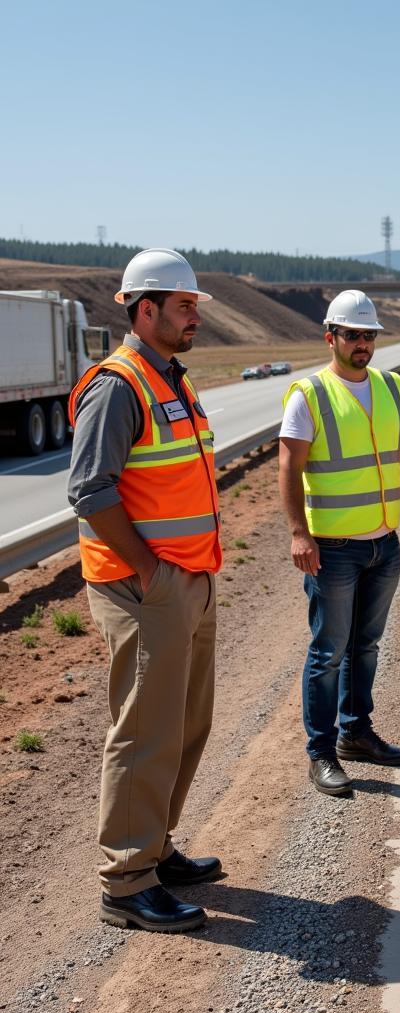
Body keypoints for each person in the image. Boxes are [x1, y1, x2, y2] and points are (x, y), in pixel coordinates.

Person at [68, 248, 222, 933]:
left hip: (188, 580)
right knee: (145, 732)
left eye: (194, 307)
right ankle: (126, 882)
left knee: (187, 725)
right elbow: (89, 491)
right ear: (145, 308)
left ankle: (154, 848)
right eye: (184, 306)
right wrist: (149, 573)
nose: (194, 317)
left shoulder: (173, 380)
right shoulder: (119, 384)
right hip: (146, 588)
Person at [279, 289, 400, 799]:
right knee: (328, 652)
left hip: (383, 543)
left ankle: (355, 733)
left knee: (365, 647)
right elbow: (289, 467)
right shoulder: (310, 394)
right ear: (331, 337)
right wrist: (300, 532)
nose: (362, 343)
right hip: (334, 548)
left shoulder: (390, 387)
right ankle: (321, 751)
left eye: (368, 335)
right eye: (352, 335)